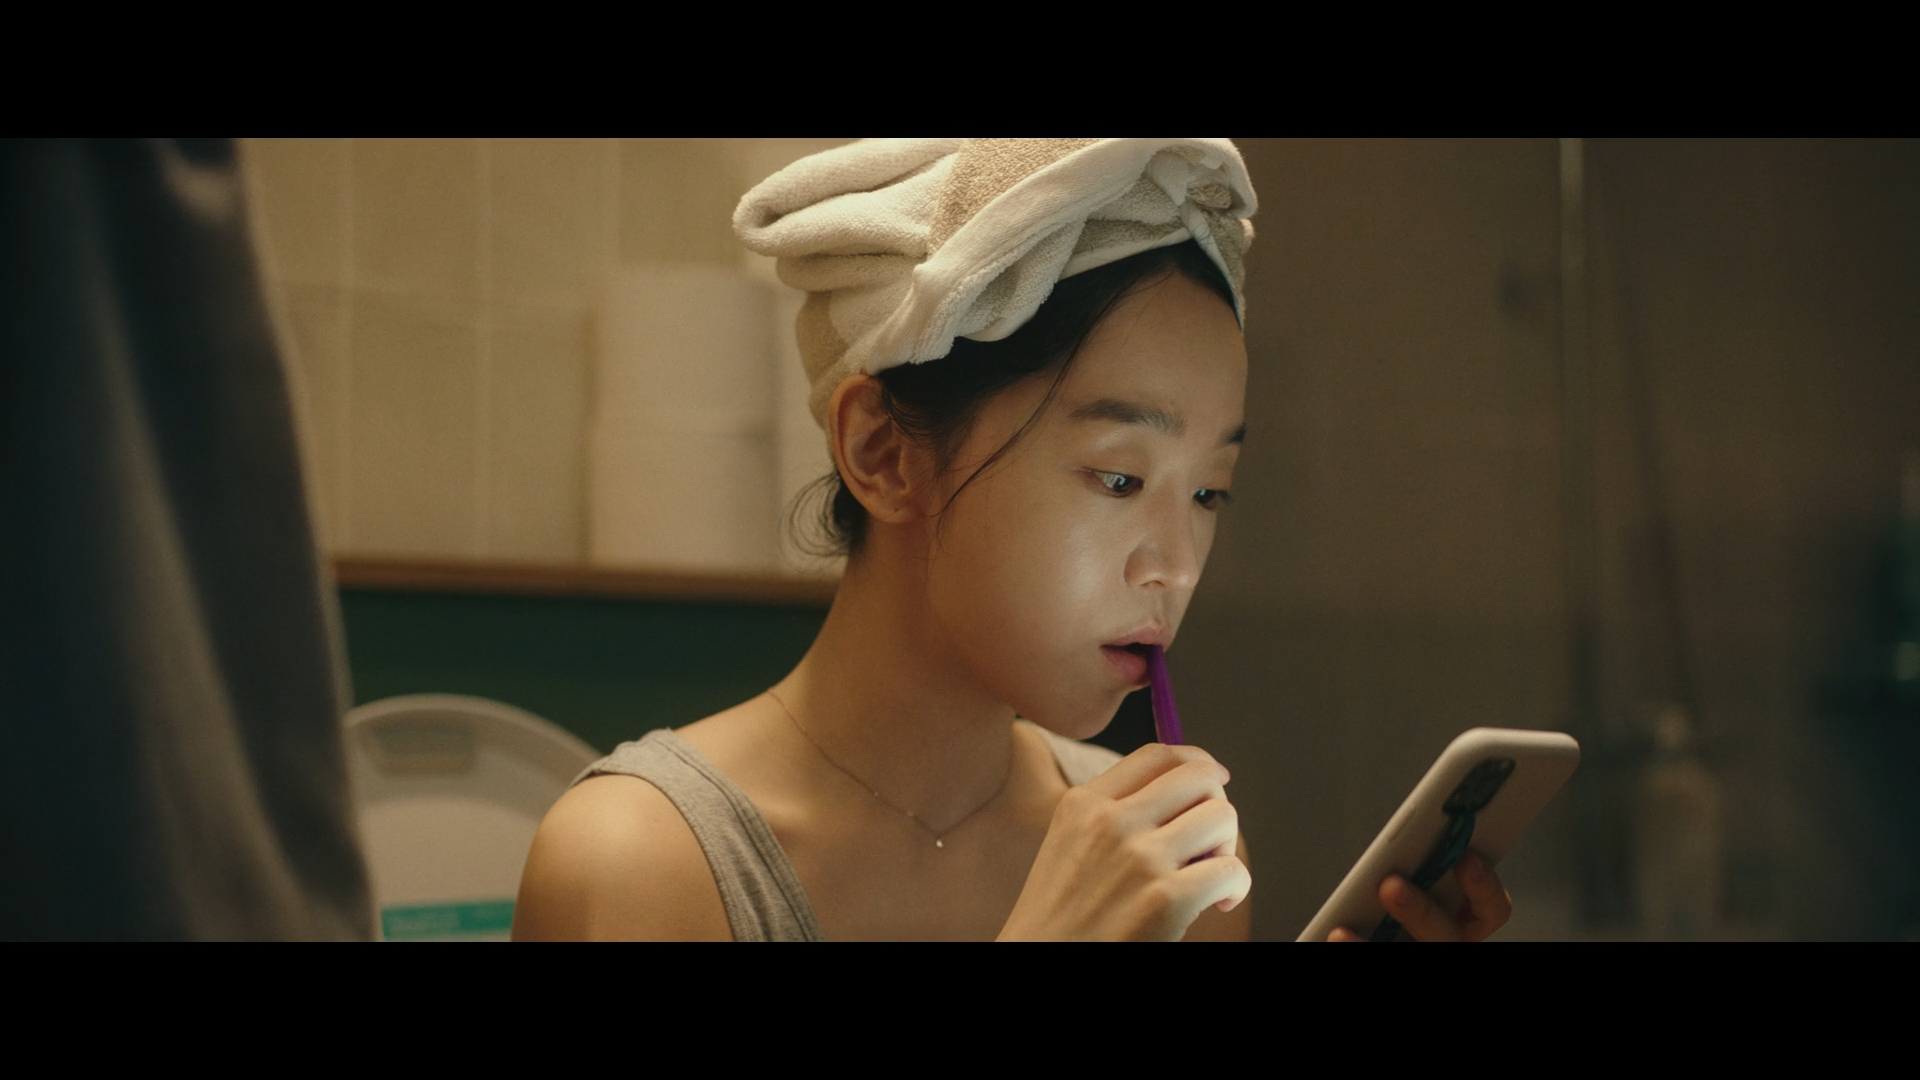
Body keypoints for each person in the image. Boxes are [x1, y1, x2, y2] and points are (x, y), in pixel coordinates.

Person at [513, 139, 1513, 941]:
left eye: (1211, 492)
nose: (1175, 565)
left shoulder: (1177, 866)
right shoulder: (639, 864)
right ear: (882, 454)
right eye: (1119, 479)